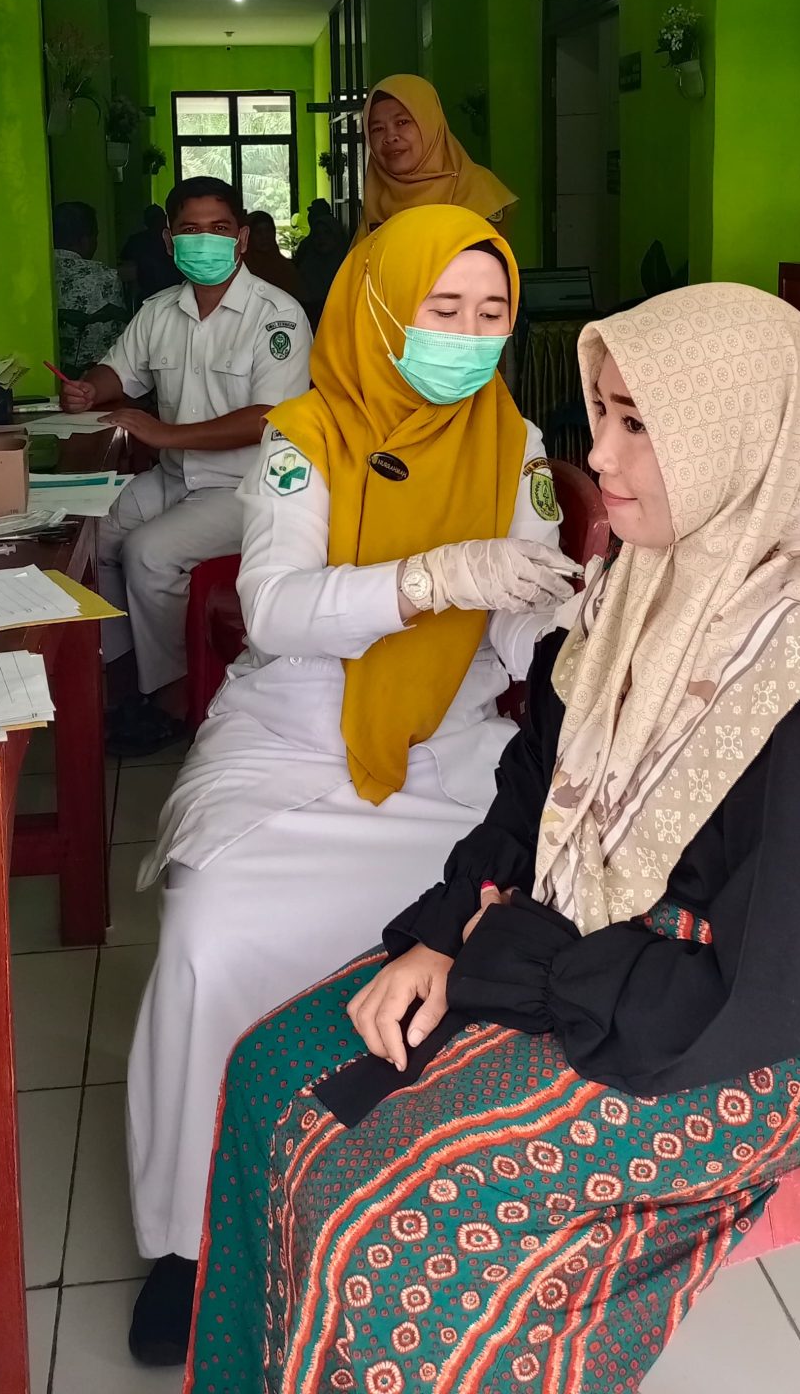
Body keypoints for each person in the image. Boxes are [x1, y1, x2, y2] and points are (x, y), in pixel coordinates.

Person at [185, 282, 800, 1393]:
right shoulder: (644, 586)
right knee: (271, 1071)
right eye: (603, 416)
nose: (602, 457)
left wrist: (504, 966)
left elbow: (768, 993)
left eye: (640, 425)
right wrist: (443, 934)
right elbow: (536, 785)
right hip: (582, 940)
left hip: (728, 1034)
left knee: (374, 1215)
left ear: (745, 445)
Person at [125, 204, 579, 1365]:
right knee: (210, 936)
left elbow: (520, 623)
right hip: (294, 732)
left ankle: (389, 1190)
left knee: (503, 919)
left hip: (451, 740)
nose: (468, 337)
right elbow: (275, 608)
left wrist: (564, 618)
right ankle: (186, 1241)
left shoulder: (516, 443)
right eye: (443, 309)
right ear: (381, 308)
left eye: (491, 313)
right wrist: (430, 576)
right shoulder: (303, 433)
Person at [59, 177, 310, 753]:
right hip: (175, 478)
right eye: (191, 230)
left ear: (241, 239)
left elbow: (269, 418)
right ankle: (122, 677)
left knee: (150, 552)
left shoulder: (278, 315)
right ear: (170, 241)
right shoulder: (159, 311)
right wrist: (89, 389)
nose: (206, 240)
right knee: (89, 535)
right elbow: (118, 370)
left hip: (250, 488)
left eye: (219, 228)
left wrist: (164, 433)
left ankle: (174, 698)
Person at [357, 73, 516, 241]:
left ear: (430, 123)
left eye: (402, 122)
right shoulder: (377, 199)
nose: (390, 137)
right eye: (377, 129)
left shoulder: (476, 189)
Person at [51, 199, 127, 377]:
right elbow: (115, 339)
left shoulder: (35, 272)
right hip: (91, 378)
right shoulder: (105, 276)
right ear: (85, 240)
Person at [292, 195, 348, 330]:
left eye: (327, 233)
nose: (321, 238)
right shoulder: (307, 254)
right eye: (317, 235)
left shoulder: (349, 266)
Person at [119, 202, 181, 305]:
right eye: (154, 219)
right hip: (148, 294)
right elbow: (126, 267)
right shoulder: (137, 241)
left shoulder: (174, 239)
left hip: (175, 291)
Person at [241, 208, 304, 303]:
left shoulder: (285, 268)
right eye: (258, 232)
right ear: (248, 236)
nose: (264, 237)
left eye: (268, 230)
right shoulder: (240, 269)